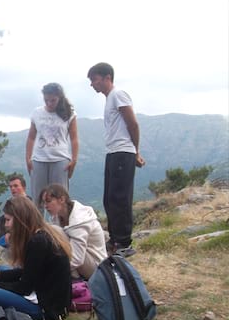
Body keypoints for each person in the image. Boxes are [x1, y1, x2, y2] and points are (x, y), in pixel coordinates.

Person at [0, 196, 72, 320]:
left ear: (20, 220)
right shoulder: (42, 234)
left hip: (47, 310)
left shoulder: (38, 243)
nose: (6, 224)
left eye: (8, 220)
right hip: (45, 293)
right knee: (0, 270)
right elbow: (28, 272)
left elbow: (24, 288)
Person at [87, 62, 145, 257]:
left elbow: (133, 124)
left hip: (123, 152)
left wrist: (135, 152)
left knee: (120, 198)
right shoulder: (110, 98)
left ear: (107, 77)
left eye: (94, 79)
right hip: (113, 152)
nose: (92, 84)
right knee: (110, 198)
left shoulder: (118, 94)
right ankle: (115, 239)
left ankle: (124, 243)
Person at [25, 83, 79, 211]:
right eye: (46, 100)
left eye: (53, 100)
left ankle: (61, 228)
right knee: (38, 199)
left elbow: (74, 138)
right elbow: (31, 137)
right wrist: (28, 158)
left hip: (60, 159)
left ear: (59, 98)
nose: (49, 103)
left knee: (60, 198)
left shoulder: (69, 114)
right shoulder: (37, 113)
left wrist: (74, 160)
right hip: (39, 159)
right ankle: (38, 228)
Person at [40, 184, 107, 279]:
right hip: (82, 263)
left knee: (55, 230)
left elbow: (77, 259)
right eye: (44, 203)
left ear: (62, 200)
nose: (45, 206)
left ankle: (74, 279)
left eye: (49, 201)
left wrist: (52, 272)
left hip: (96, 268)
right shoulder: (57, 218)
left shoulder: (80, 220)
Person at [0, 174, 29, 249]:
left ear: (24, 187)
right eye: (11, 186)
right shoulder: (10, 201)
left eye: (16, 186)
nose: (12, 188)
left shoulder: (29, 204)